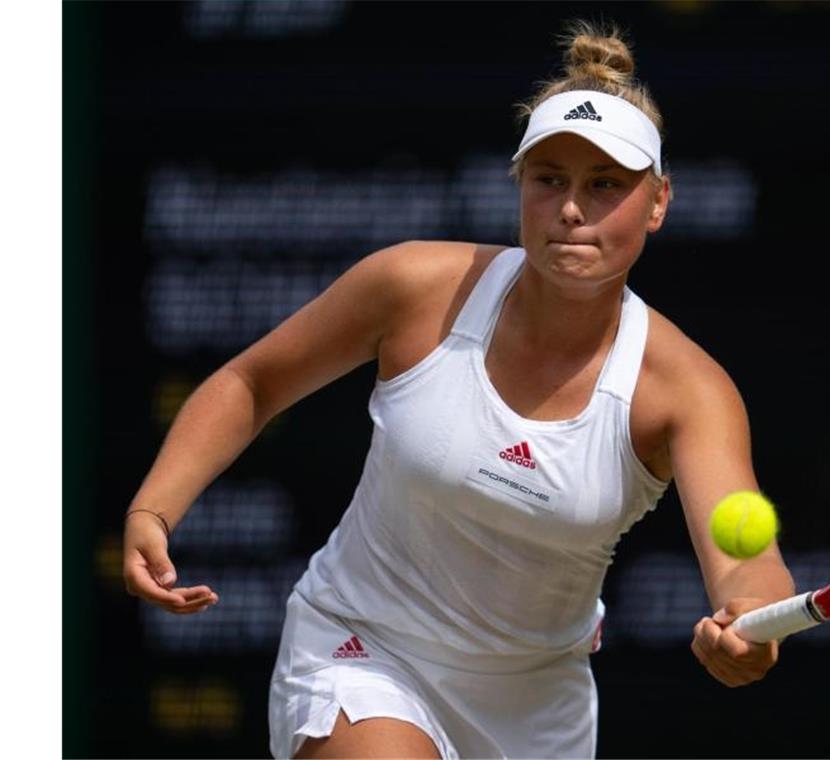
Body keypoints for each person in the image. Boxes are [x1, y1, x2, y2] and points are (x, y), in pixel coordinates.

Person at [122, 20, 795, 759]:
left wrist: (752, 620)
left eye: (605, 185)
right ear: (520, 187)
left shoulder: (689, 391)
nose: (572, 208)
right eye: (550, 180)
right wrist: (155, 507)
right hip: (363, 649)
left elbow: (744, 548)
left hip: (537, 709)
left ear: (658, 202)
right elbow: (253, 383)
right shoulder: (410, 286)